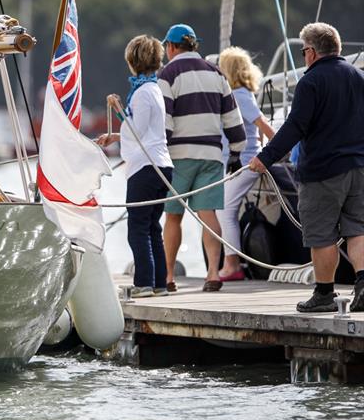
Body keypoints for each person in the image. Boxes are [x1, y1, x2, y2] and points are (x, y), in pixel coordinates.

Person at [249, 22, 364, 313]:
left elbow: (295, 127)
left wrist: (265, 158)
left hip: (323, 171)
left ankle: (324, 294)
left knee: (322, 235)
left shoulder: (310, 82)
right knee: (358, 231)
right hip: (359, 167)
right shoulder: (359, 76)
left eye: (303, 51)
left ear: (311, 52)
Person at [157, 24, 246, 292]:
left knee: (173, 216)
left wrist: (159, 152)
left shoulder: (168, 73)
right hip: (211, 155)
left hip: (179, 156)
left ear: (171, 47)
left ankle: (169, 277)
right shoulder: (216, 73)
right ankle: (212, 274)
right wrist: (238, 150)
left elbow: (166, 122)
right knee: (209, 214)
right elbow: (233, 119)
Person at [98, 35, 173, 297]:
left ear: (133, 62)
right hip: (161, 165)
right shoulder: (154, 89)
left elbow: (137, 131)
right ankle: (159, 284)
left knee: (138, 228)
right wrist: (116, 136)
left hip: (145, 168)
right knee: (153, 228)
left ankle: (143, 284)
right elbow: (146, 132)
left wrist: (118, 110)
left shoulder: (142, 93)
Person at [216, 47, 276, 281]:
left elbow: (261, 124)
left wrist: (275, 151)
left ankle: (232, 265)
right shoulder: (239, 94)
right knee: (224, 210)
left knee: (225, 211)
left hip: (245, 162)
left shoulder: (239, 95)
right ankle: (231, 263)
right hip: (239, 162)